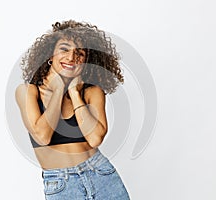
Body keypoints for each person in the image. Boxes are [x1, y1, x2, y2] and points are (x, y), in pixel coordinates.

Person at [15, 20, 130, 200]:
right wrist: (58, 87)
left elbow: (95, 138)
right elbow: (42, 136)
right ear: (49, 55)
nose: (71, 57)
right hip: (61, 183)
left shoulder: (92, 92)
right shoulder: (28, 91)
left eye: (80, 53)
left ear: (87, 61)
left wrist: (74, 93)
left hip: (101, 175)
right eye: (64, 49)